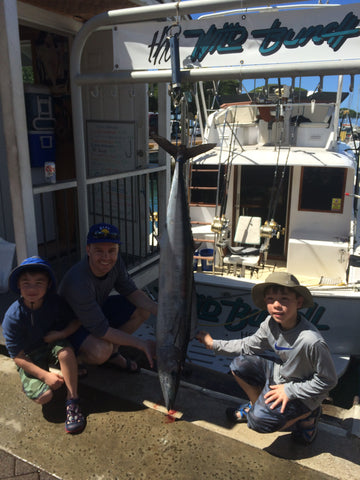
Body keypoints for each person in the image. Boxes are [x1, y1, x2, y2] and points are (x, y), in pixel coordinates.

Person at [196, 272, 338, 445]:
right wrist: (214, 345)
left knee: (258, 423)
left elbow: (328, 381)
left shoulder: (311, 341)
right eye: (271, 299)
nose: (276, 305)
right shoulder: (270, 323)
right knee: (238, 365)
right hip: (282, 374)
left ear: (299, 303)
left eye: (284, 299)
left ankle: (310, 415)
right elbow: (248, 345)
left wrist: (289, 391)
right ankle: (258, 406)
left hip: (303, 390)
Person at [2, 256, 86, 434]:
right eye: (26, 283)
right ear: (18, 285)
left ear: (48, 285)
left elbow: (76, 321)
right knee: (45, 396)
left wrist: (61, 334)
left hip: (50, 345)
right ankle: (41, 378)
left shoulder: (55, 303)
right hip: (29, 356)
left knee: (65, 351)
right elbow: (17, 356)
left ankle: (73, 400)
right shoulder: (12, 317)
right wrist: (44, 376)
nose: (32, 289)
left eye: (39, 283)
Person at [58, 223, 157, 372]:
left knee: (143, 309)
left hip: (95, 311)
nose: (106, 257)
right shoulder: (78, 281)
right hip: (69, 325)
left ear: (118, 250)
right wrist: (141, 344)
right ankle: (73, 360)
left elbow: (131, 291)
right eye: (99, 250)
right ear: (88, 250)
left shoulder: (116, 263)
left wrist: (159, 310)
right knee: (100, 351)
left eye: (112, 251)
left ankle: (113, 353)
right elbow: (101, 330)